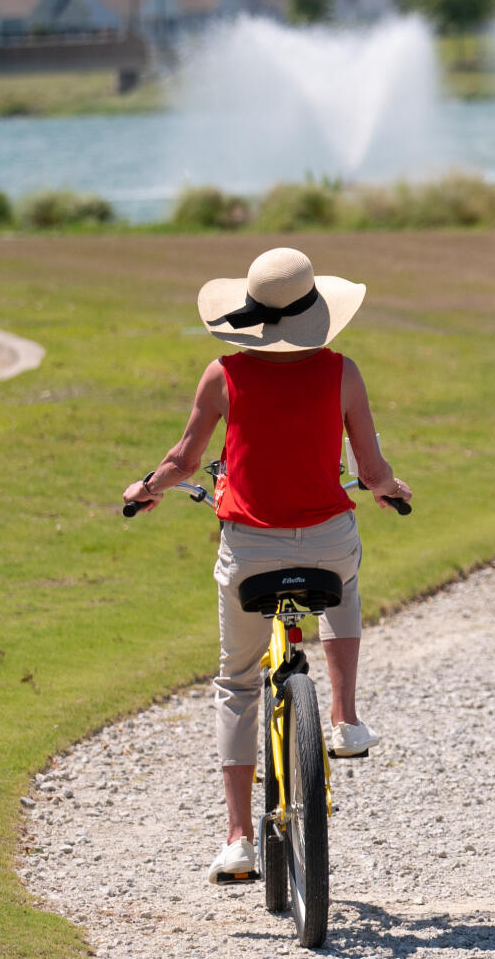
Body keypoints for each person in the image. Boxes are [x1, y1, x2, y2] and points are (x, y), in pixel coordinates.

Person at [122, 245, 412, 884]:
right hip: (327, 542)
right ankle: (344, 718)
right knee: (345, 582)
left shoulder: (222, 375)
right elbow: (370, 471)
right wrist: (391, 489)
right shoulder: (343, 372)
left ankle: (238, 841)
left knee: (237, 680)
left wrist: (145, 489)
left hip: (250, 550)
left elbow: (184, 461)